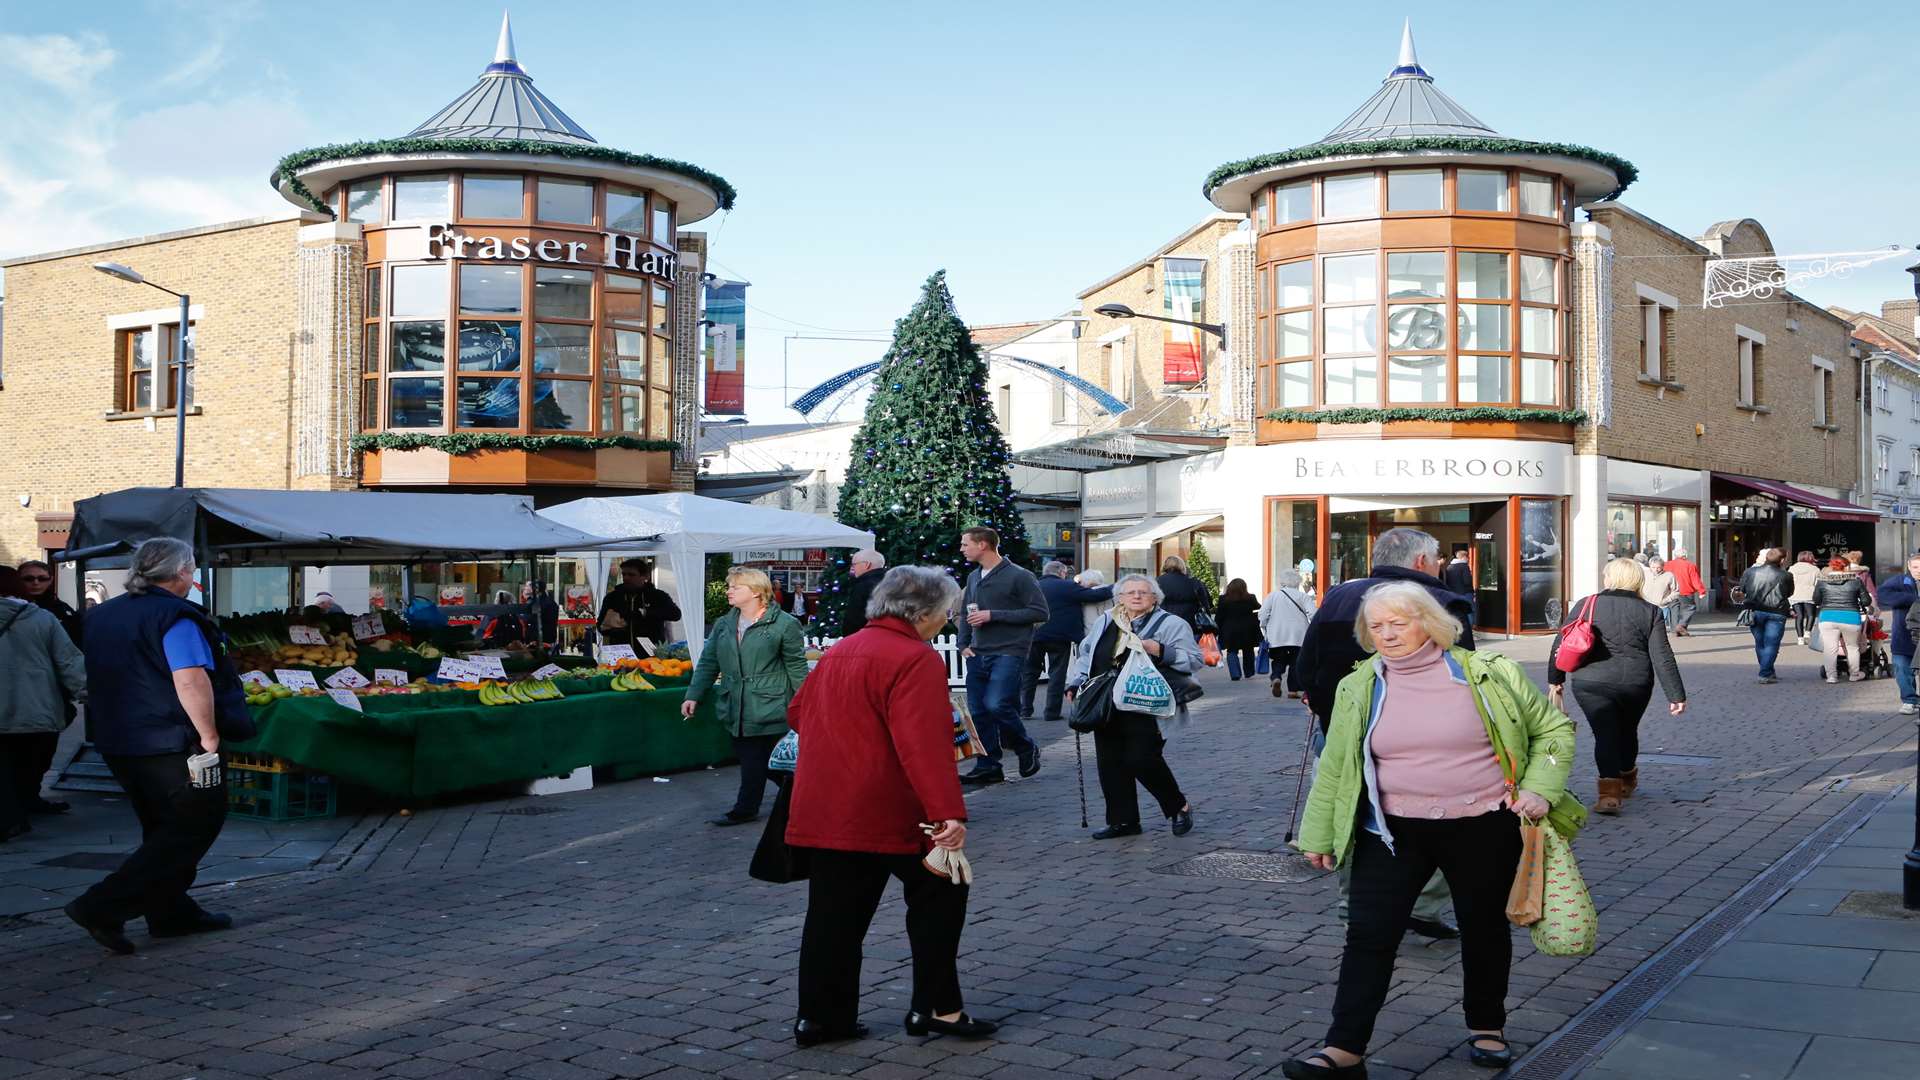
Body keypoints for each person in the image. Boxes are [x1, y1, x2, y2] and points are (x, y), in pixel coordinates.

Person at [1284, 583, 1572, 1079]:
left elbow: (1553, 730)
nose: (1388, 635)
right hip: (1390, 831)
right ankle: (1344, 1049)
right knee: (1368, 934)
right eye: (1376, 627)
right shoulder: (1359, 685)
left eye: (1399, 623)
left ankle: (1487, 1025)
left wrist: (1541, 787)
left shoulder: (1488, 674)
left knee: (1482, 928)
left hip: (1482, 825)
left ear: (1430, 622)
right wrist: (1317, 835)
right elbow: (1336, 766)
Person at [786, 566, 995, 1047]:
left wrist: (847, 740)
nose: (947, 621)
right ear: (923, 613)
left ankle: (819, 1018)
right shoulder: (914, 657)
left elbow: (797, 713)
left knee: (832, 916)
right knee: (942, 893)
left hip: (828, 803)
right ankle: (939, 1008)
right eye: (946, 613)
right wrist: (950, 813)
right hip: (890, 805)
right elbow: (923, 746)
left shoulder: (842, 649)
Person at [65, 538, 245, 955]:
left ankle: (170, 911)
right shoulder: (175, 616)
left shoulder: (104, 615)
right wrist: (209, 736)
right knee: (195, 823)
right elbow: (190, 679)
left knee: (160, 825)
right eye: (192, 567)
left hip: (119, 737)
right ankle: (102, 905)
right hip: (170, 740)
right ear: (182, 572)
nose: (193, 573)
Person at [1292, 527, 1471, 940]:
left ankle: (1353, 901)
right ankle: (1420, 907)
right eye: (1438, 557)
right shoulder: (1440, 602)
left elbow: (1306, 666)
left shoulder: (1337, 596)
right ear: (1422, 561)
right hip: (1420, 745)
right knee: (1438, 821)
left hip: (1339, 731)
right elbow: (1466, 679)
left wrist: (1324, 707)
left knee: (1351, 817)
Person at [1064, 574, 1199, 839]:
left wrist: (1160, 649)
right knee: (1110, 763)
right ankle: (1123, 822)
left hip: (1149, 704)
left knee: (1142, 759)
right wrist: (1076, 683)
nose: (1136, 596)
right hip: (1108, 702)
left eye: (1143, 592)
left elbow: (1193, 660)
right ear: (1119, 598)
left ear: (1155, 598)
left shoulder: (1171, 624)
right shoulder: (1107, 620)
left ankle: (1178, 805)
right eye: (1130, 592)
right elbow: (1087, 654)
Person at [1549, 559, 1687, 814]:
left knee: (1605, 735)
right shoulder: (1650, 611)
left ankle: (1608, 796)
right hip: (1635, 683)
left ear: (1610, 578)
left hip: (1591, 682)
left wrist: (1555, 678)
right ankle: (1626, 778)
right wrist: (1676, 694)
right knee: (1627, 730)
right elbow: (1662, 654)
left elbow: (1562, 641)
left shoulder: (1587, 604)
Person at [683, 568, 809, 826]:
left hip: (772, 705)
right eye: (730, 586)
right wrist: (693, 694)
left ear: (755, 592)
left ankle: (801, 800)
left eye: (735, 587)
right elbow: (709, 661)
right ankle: (749, 807)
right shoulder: (724, 624)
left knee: (777, 765)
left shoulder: (784, 624)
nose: (728, 590)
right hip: (736, 705)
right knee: (753, 762)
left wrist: (807, 704)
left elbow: (796, 666)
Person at [954, 527, 1048, 786]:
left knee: (997, 704)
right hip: (978, 652)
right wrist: (963, 644)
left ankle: (1025, 746)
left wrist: (993, 615)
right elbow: (965, 613)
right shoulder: (974, 577)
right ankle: (988, 765)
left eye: (965, 544)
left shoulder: (1020, 576)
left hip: (1009, 650)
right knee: (977, 712)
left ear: (982, 544)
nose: (962, 549)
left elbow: (1040, 612)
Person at [0, 568, 87, 841]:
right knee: (30, 761)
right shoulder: (42, 619)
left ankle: (11, 815)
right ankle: (20, 809)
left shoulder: (47, 615)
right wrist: (86, 692)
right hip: (37, 707)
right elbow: (69, 661)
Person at [18, 560, 82, 813]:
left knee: (42, 752)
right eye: (29, 578)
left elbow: (73, 652)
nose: (35, 583)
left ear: (50, 580)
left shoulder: (60, 611)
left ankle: (29, 798)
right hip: (16, 692)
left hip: (49, 694)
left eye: (41, 578)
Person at [1022, 561, 1112, 724]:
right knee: (1057, 674)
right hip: (1059, 637)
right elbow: (1096, 595)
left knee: (1029, 673)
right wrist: (1119, 587)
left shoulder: (1033, 586)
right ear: (1061, 572)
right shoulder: (1067, 586)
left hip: (1034, 635)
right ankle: (1051, 712)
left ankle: (1025, 709)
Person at [598, 559, 682, 654]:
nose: (626, 578)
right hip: (621, 654)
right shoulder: (613, 597)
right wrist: (612, 629)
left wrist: (646, 613)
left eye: (631, 575)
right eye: (624, 574)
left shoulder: (658, 596)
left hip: (651, 654)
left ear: (645, 576)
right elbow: (600, 625)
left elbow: (676, 614)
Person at [1811, 555, 1872, 683]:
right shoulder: (1856, 581)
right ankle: (1854, 674)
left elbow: (1816, 600)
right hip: (1850, 617)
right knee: (1852, 647)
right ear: (1846, 567)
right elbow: (1867, 601)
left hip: (1827, 617)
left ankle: (1832, 676)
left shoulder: (1822, 581)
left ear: (1831, 566)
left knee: (1830, 648)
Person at [1738, 548, 1794, 683]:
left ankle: (1768, 670)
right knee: (1771, 644)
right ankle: (1765, 673)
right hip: (1777, 612)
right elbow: (1789, 593)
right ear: (1782, 560)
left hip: (1754, 610)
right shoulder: (1786, 575)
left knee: (1760, 642)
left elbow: (1743, 588)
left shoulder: (1750, 572)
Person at [1259, 569, 1316, 699]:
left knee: (1278, 660)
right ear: (1297, 582)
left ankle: (1276, 677)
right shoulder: (1303, 596)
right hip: (1299, 636)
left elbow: (1262, 615)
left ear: (1282, 582)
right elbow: (1313, 614)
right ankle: (1293, 690)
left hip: (1277, 635)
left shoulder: (1273, 596)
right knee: (1296, 663)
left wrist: (1264, 627)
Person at [1877, 555, 1920, 715]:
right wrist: (1912, 599)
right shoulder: (1900, 581)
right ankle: (1910, 700)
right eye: (1915, 567)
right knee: (1902, 668)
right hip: (1904, 634)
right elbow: (1882, 594)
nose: (1918, 570)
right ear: (1909, 566)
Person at [1214, 578, 1263, 681]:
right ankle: (1249, 672)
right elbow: (1259, 607)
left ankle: (1235, 673)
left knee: (1231, 651)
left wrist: (1216, 630)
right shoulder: (1250, 598)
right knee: (1248, 650)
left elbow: (1219, 616)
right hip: (1248, 629)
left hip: (1229, 630)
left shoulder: (1223, 599)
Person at [1154, 555, 1212, 632]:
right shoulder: (1194, 582)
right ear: (1182, 566)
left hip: (1163, 625)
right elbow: (1207, 604)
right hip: (1190, 626)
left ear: (1164, 566)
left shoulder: (1156, 582)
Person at [839, 549, 889, 637]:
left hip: (865, 639)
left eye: (854, 564)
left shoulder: (863, 586)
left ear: (867, 565)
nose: (852, 568)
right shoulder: (894, 583)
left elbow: (854, 620)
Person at [1666, 549, 1706, 637]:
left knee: (1674, 609)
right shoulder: (1690, 565)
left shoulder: (1667, 564)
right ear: (1685, 556)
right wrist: (1701, 591)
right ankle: (1681, 625)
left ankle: (1674, 630)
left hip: (1671, 591)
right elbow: (1695, 579)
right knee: (1689, 608)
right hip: (1686, 591)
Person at [1788, 551, 1821, 645]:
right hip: (1809, 594)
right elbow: (1818, 583)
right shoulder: (1815, 569)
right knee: (1811, 615)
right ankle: (1807, 632)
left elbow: (1789, 581)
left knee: (1799, 616)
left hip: (1795, 594)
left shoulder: (1792, 568)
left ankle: (1800, 639)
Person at [1639, 556, 1679, 630]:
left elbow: (1676, 592)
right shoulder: (1644, 574)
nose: (1656, 570)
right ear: (1649, 566)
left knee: (1658, 628)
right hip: (1646, 606)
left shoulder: (1669, 575)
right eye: (1653, 567)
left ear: (1663, 566)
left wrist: (1665, 601)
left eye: (1658, 567)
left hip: (1661, 607)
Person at [519, 581, 559, 646]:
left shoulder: (537, 603)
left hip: (537, 640)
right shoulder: (550, 601)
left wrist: (520, 615)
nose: (525, 588)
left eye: (528, 586)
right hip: (548, 638)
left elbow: (530, 618)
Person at [1074, 570, 1109, 635]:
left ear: (1088, 581)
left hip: (1094, 635)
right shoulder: (1109, 591)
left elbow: (1089, 622)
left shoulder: (1089, 595)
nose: (1079, 584)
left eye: (1081, 582)